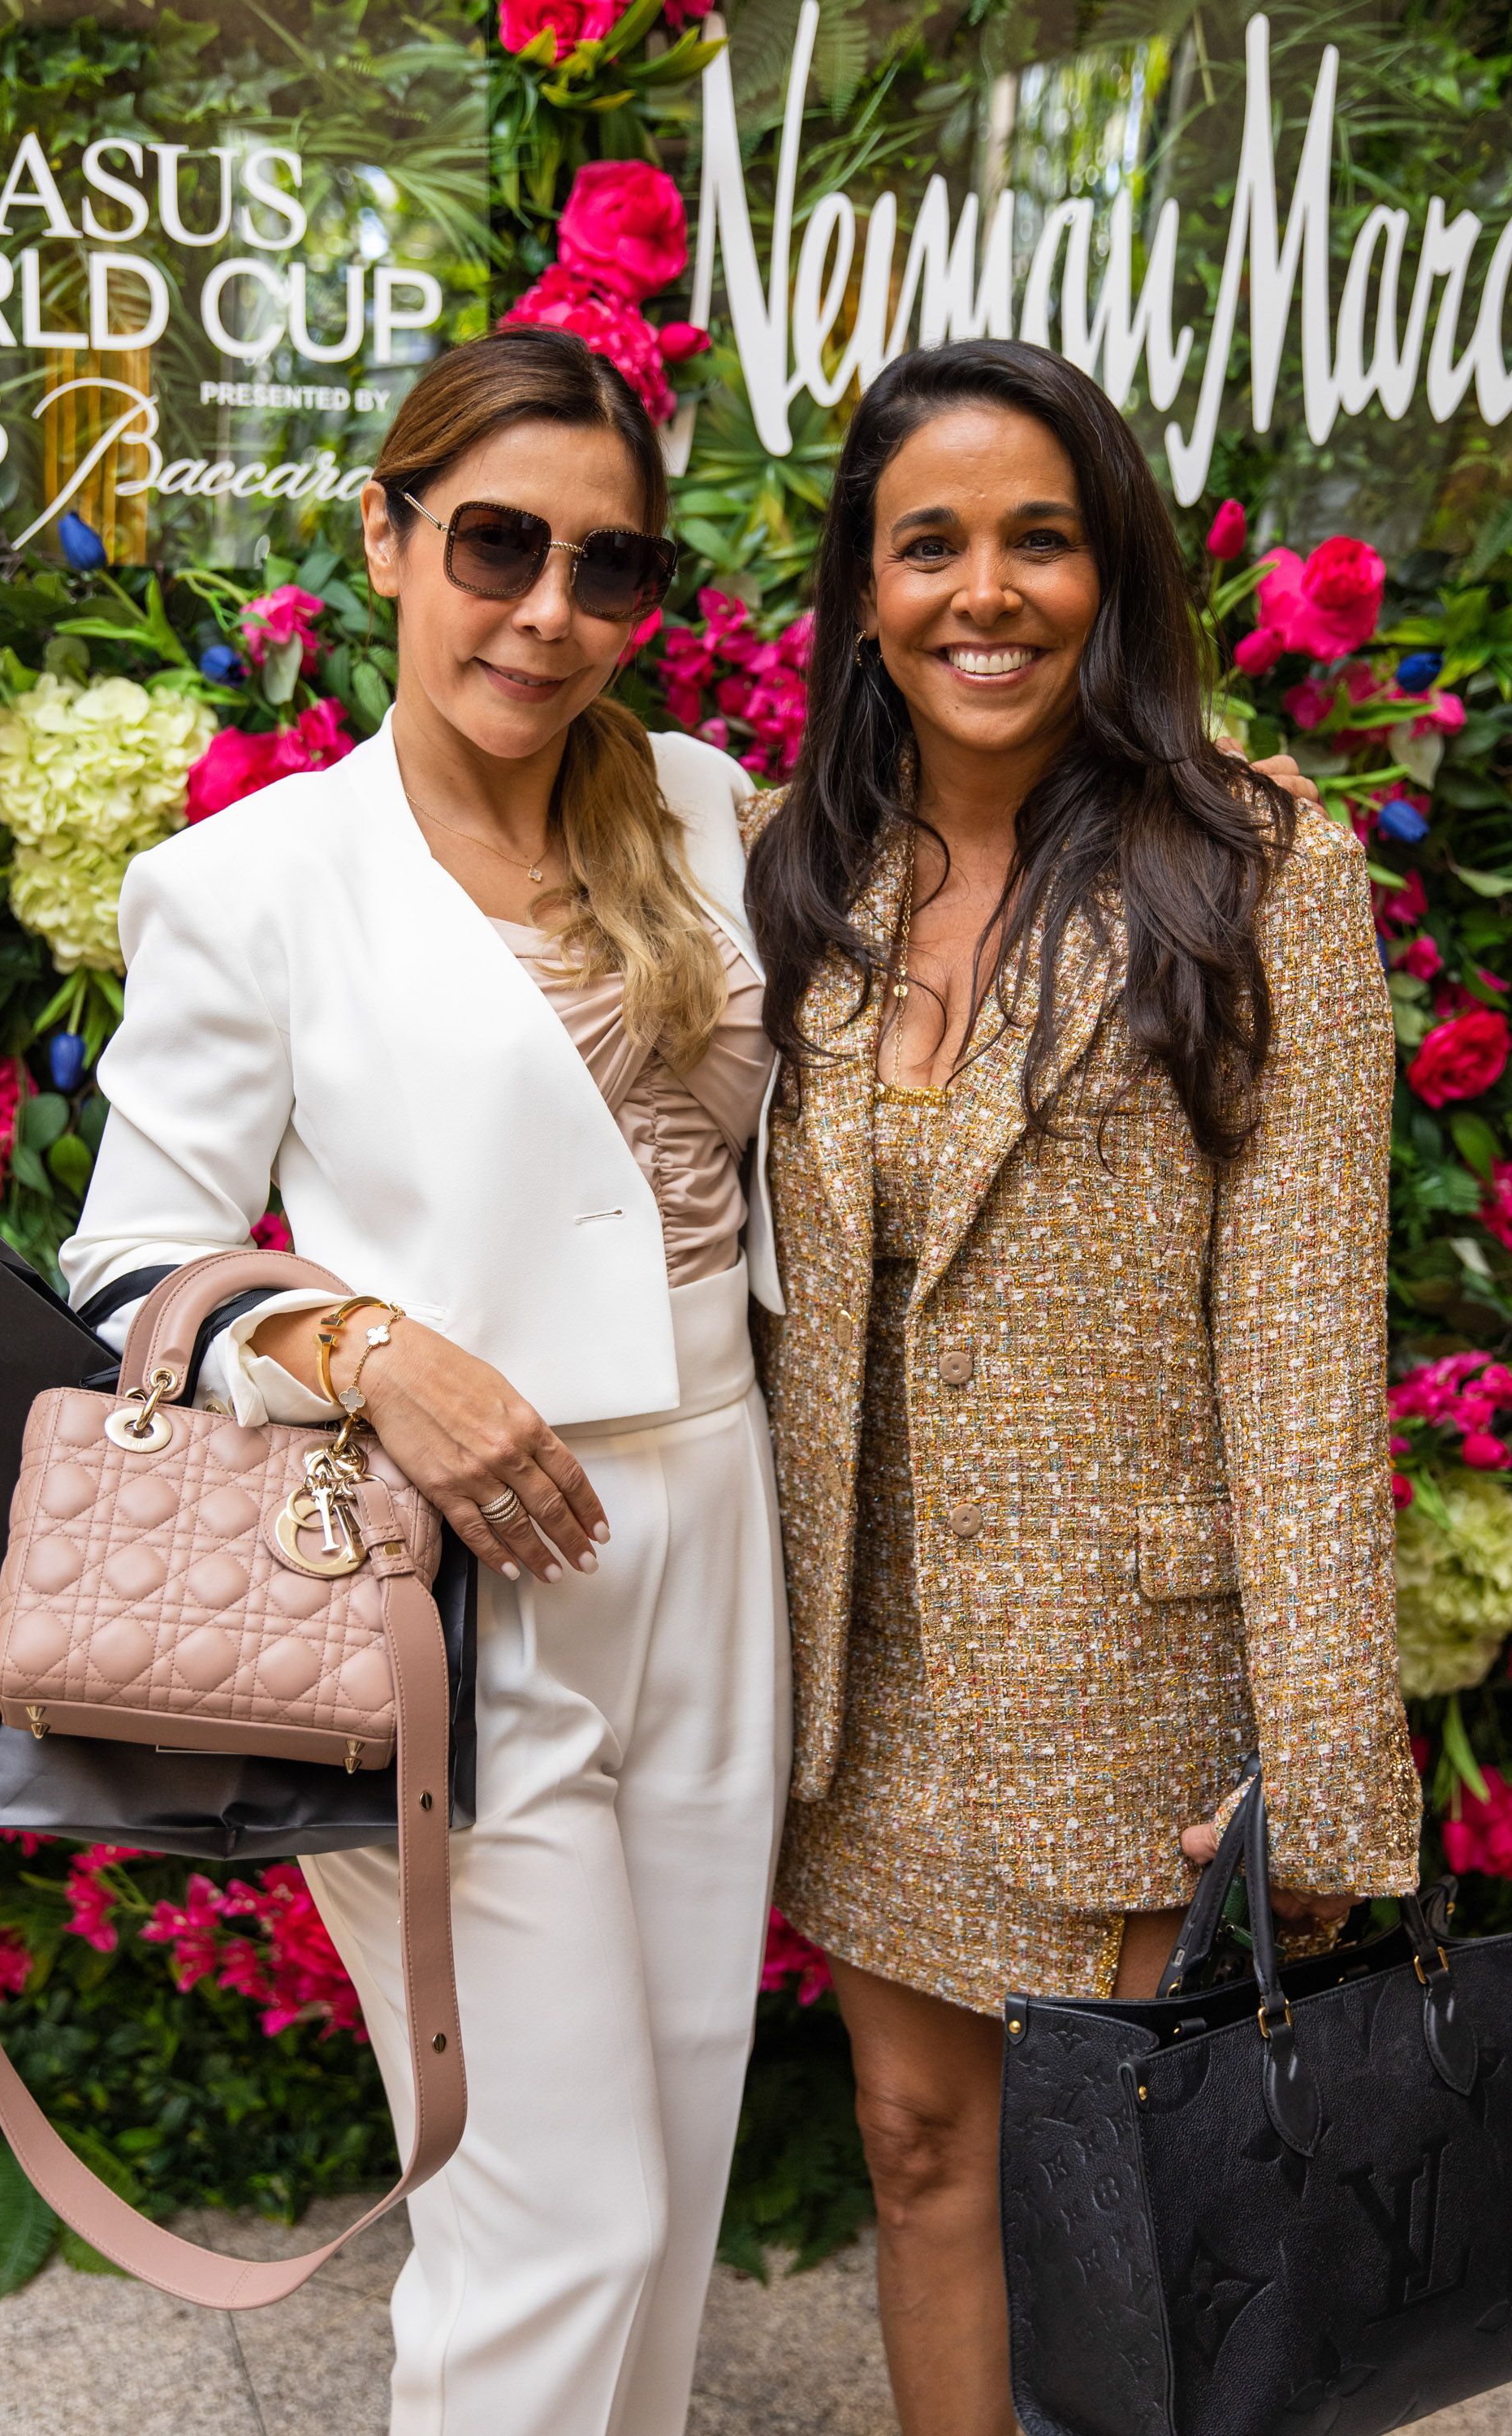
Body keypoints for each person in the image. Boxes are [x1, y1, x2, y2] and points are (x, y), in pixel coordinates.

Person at [59, 325, 790, 2436]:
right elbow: (130, 1274)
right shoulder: (251, 884)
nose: (549, 613)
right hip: (434, 1581)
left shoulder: (698, 802)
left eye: (608, 567)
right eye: (492, 544)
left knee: (668, 2168)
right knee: (547, 2218)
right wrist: (368, 1351)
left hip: (715, 1536)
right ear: (383, 535)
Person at [744, 338, 1420, 2436]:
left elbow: (1306, 1340)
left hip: (1129, 1690)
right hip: (873, 1688)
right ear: (861, 588)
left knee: (1143, 2212)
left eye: (1038, 537)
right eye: (925, 542)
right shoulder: (806, 867)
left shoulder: (1250, 861)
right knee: (920, 2155)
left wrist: (1313, 1761)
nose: (984, 590)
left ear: (1108, 564)